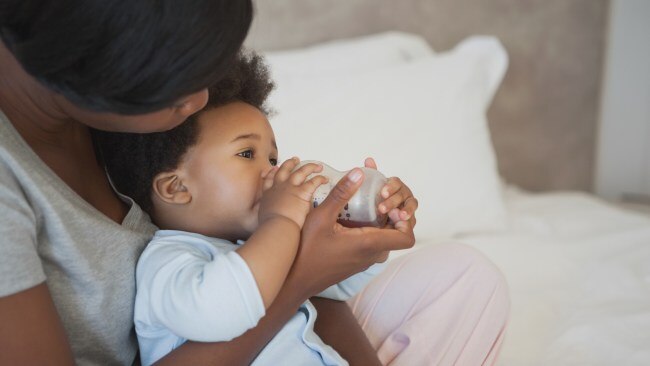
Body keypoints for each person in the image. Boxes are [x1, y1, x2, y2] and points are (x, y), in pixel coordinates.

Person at [0, 1, 508, 365]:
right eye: (174, 84)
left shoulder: (232, 225)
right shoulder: (177, 261)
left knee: (463, 275)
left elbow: (333, 296)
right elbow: (231, 305)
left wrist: (358, 238)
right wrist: (298, 264)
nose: (199, 98)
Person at [94, 51, 398, 365]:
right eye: (246, 154)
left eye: (272, 159)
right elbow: (224, 309)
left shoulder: (260, 241)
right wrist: (281, 220)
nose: (271, 172)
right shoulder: (167, 261)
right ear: (177, 188)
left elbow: (334, 283)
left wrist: (371, 227)